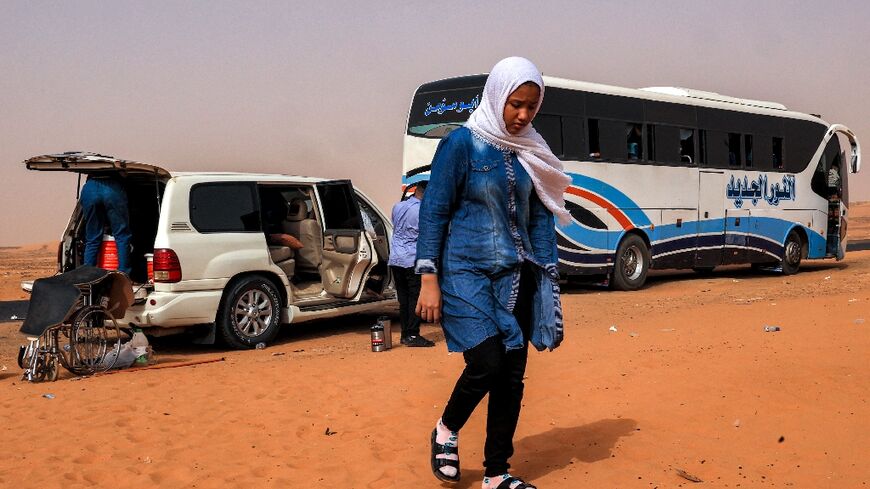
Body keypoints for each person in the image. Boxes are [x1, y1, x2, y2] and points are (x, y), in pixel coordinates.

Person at [415, 57, 569, 489]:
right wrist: (428, 278)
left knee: (513, 376)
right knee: (487, 362)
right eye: (515, 104)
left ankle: (496, 473)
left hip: (516, 277)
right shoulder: (461, 144)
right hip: (464, 273)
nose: (522, 115)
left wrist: (548, 281)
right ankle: (446, 428)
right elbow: (435, 211)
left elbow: (539, 220)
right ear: (497, 96)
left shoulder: (531, 154)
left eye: (531, 107)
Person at [388, 180, 435, 347]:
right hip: (414, 258)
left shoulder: (398, 206)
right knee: (416, 298)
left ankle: (405, 334)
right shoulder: (424, 211)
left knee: (404, 300)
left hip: (395, 258)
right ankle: (413, 335)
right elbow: (428, 236)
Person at [80, 173, 133, 276]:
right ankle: (123, 276)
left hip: (90, 188)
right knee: (122, 235)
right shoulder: (116, 171)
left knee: (92, 238)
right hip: (112, 187)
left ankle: (87, 277)